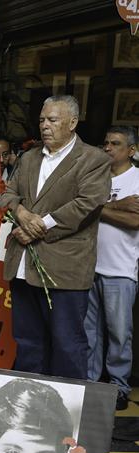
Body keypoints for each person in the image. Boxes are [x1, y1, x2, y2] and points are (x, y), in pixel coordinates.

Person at [0, 95, 110, 379]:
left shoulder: (94, 159)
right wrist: (22, 214)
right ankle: (27, 407)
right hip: (23, 266)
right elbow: (8, 194)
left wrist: (39, 225)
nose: (44, 126)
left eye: (52, 120)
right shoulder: (29, 156)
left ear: (72, 123)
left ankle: (69, 417)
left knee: (67, 344)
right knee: (27, 342)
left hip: (65, 269)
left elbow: (86, 204)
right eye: (41, 120)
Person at [84, 126, 139, 412]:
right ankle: (92, 384)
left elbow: (135, 222)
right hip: (90, 266)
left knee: (119, 333)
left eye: (115, 144)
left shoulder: (138, 179)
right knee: (90, 332)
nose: (107, 148)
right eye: (105, 143)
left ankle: (119, 387)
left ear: (131, 150)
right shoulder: (98, 176)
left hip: (121, 270)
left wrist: (98, 207)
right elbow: (81, 210)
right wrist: (116, 206)